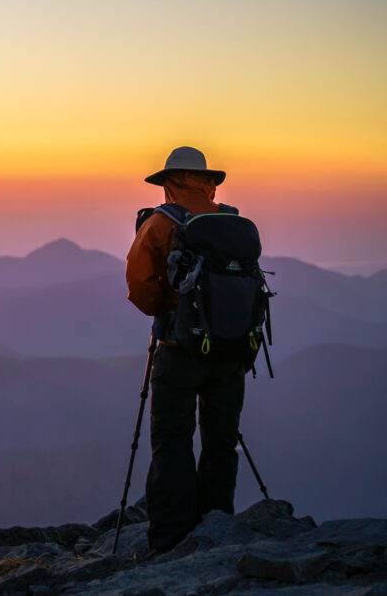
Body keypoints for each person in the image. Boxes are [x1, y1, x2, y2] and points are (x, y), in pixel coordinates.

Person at [126, 146, 247, 552]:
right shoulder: (233, 222)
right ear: (208, 183)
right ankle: (217, 525)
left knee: (172, 440)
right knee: (222, 439)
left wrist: (167, 308)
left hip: (179, 349)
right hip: (232, 350)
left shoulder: (160, 224)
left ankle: (171, 537)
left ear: (170, 184)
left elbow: (141, 288)